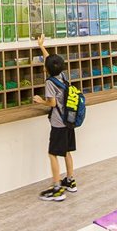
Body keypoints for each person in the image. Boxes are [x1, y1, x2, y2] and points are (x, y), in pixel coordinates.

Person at [32, 34, 77, 201]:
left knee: (53, 154)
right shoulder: (62, 76)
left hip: (58, 123)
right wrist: (41, 46)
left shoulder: (50, 82)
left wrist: (40, 101)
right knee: (66, 152)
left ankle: (57, 189)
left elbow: (51, 103)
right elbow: (49, 60)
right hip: (69, 121)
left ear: (46, 69)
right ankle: (70, 181)